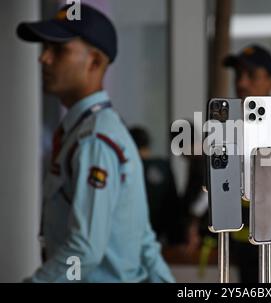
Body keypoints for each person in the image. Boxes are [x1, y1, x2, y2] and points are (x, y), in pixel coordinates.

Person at [17, 4, 174, 282]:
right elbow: (143, 239)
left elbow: (85, 253)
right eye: (45, 48)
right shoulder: (97, 131)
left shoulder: (95, 140)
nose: (44, 59)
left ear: (95, 62)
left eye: (59, 50)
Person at [223, 45, 271, 283]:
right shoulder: (237, 124)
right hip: (245, 242)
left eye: (251, 75)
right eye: (238, 75)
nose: (242, 83)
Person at [129, 126, 183, 246]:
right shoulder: (163, 166)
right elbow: (173, 203)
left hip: (134, 235)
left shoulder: (129, 169)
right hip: (162, 237)